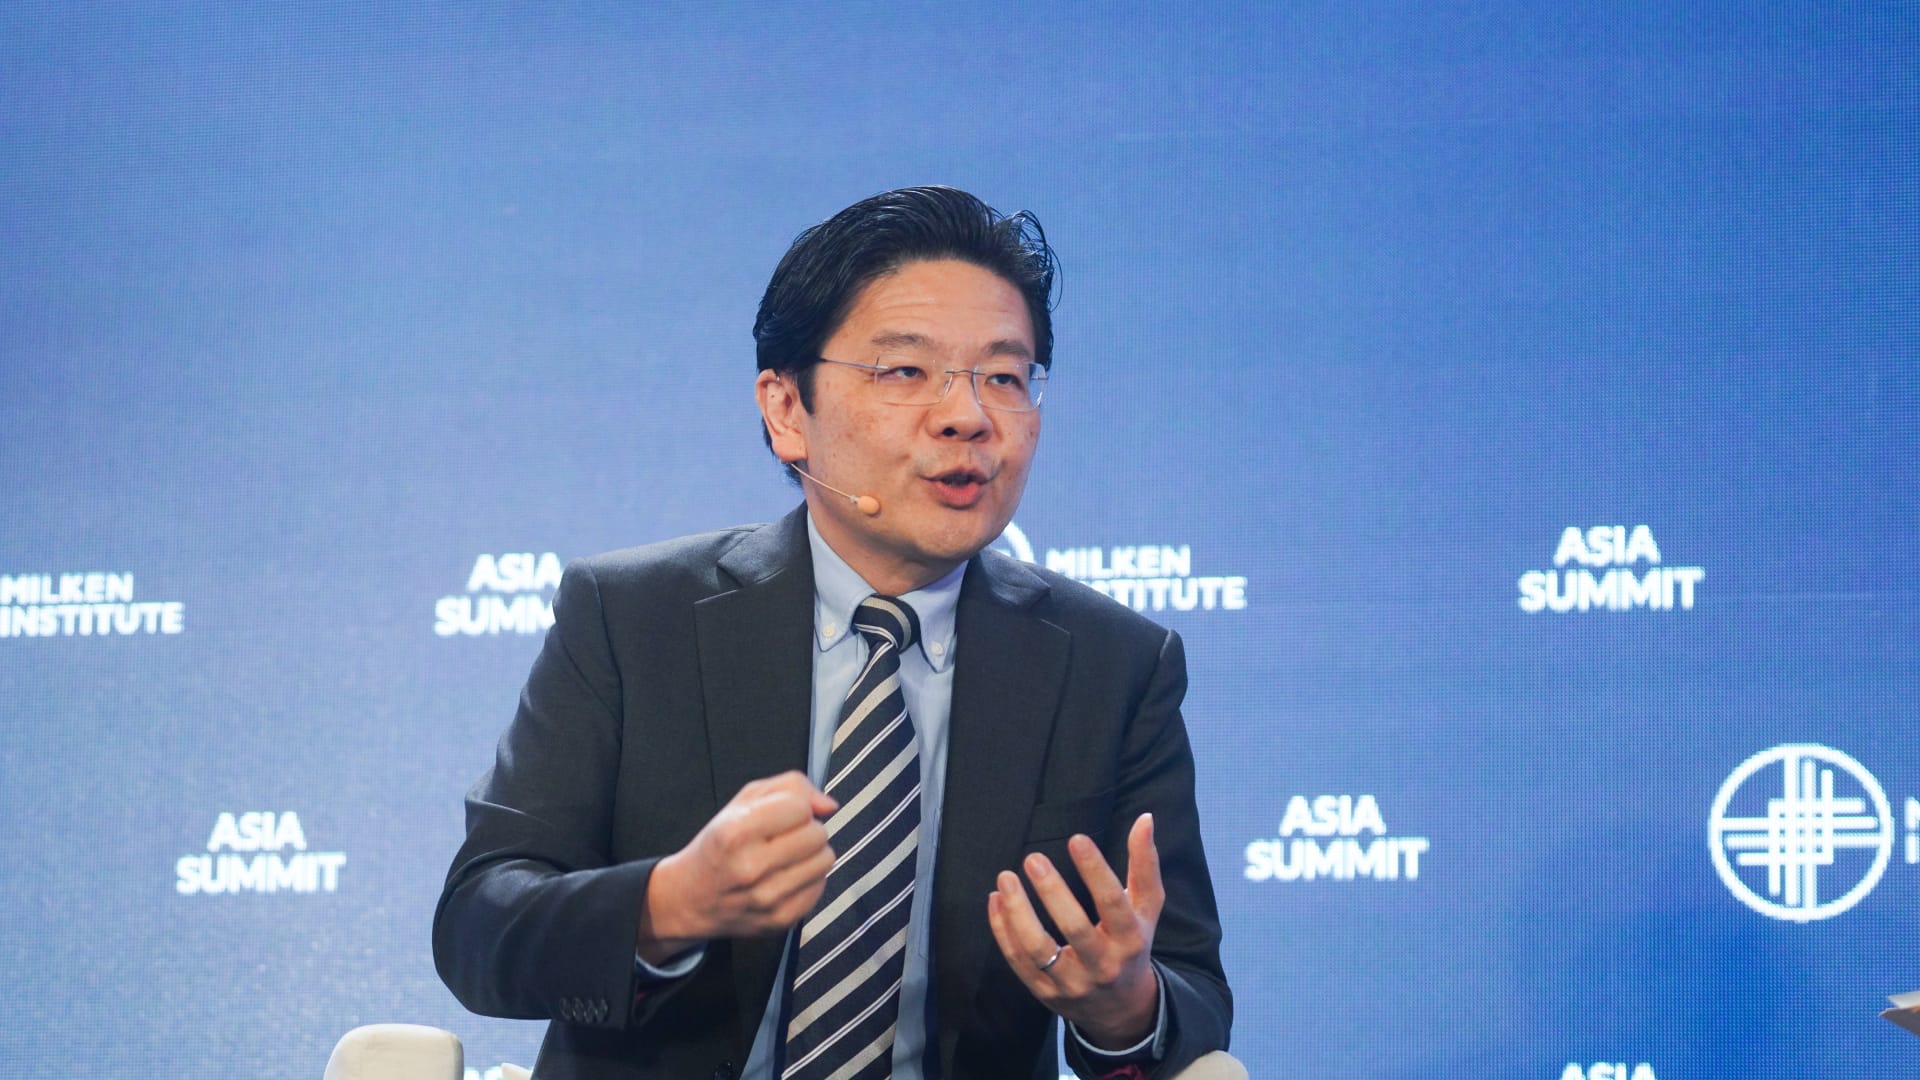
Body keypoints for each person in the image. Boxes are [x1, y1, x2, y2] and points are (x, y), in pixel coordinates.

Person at [433, 186, 1230, 1080]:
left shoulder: (1112, 666)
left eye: (1005, 377)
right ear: (787, 411)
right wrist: (668, 905)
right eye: (905, 371)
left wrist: (1124, 1009)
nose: (968, 416)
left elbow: (1191, 993)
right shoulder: (632, 618)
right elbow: (478, 925)